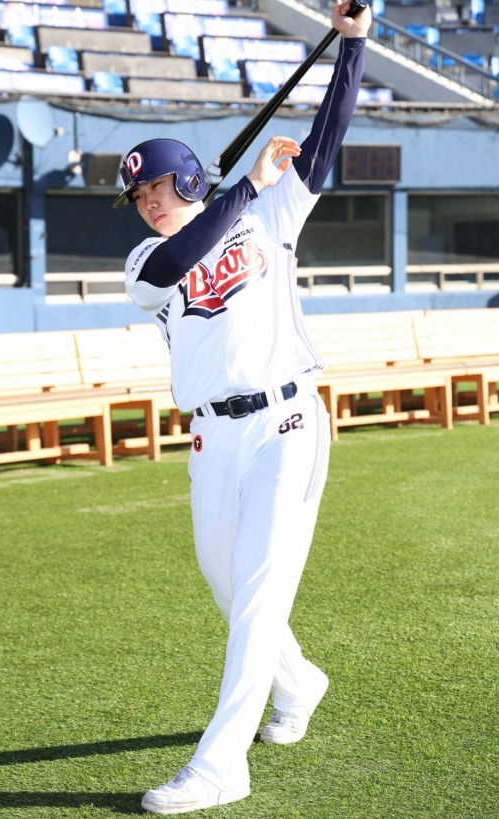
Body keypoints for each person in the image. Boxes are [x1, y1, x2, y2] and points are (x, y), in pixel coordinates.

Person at [116, 2, 371, 813]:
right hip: (210, 440)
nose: (151, 199)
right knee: (227, 584)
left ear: (189, 177)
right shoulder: (145, 261)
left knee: (258, 592)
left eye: (161, 183)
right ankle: (300, 684)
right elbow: (185, 256)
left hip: (287, 422)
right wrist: (240, 188)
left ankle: (222, 762)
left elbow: (325, 144)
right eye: (140, 193)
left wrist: (354, 46)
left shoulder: (268, 212)